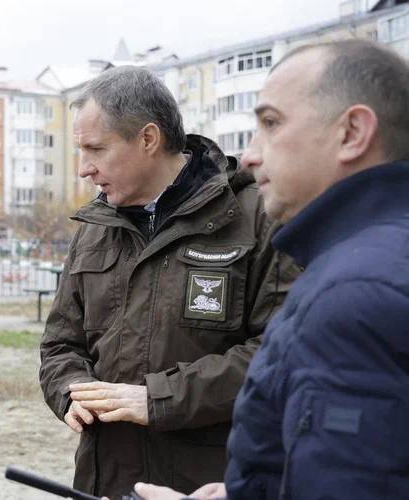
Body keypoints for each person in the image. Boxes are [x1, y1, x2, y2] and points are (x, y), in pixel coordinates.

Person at [134, 39, 409, 500]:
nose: (251, 154)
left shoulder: (355, 293)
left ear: (353, 132)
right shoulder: (363, 262)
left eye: (270, 123)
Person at [38, 65, 299, 498]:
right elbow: (60, 343)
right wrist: (70, 392)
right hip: (107, 478)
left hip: (209, 483)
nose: (84, 169)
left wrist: (160, 399)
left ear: (147, 139)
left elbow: (278, 354)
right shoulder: (94, 226)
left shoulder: (255, 217)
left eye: (95, 149)